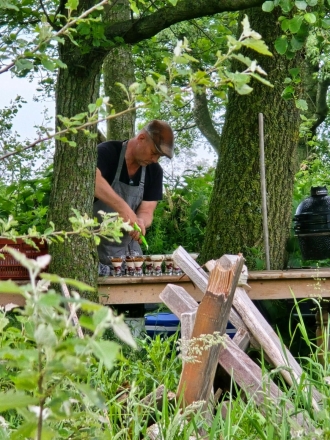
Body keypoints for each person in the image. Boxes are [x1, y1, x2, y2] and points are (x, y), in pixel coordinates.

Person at [93, 119, 174, 273]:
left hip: (130, 256)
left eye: (159, 157)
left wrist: (141, 221)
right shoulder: (107, 152)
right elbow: (92, 180)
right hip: (95, 251)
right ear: (141, 138)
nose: (154, 160)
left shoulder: (154, 171)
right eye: (154, 153)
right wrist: (123, 208)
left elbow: (147, 211)